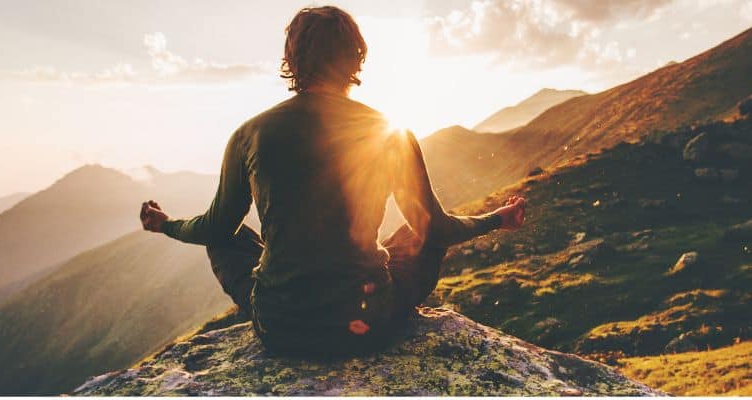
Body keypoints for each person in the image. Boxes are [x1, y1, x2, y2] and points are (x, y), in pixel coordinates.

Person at [140, 5, 526, 357]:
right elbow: (437, 229)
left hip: (281, 328)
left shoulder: (250, 134)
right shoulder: (390, 131)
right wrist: (496, 218)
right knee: (417, 233)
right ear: (356, 57)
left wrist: (166, 225)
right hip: (368, 323)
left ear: (292, 59)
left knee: (229, 236)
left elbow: (213, 228)